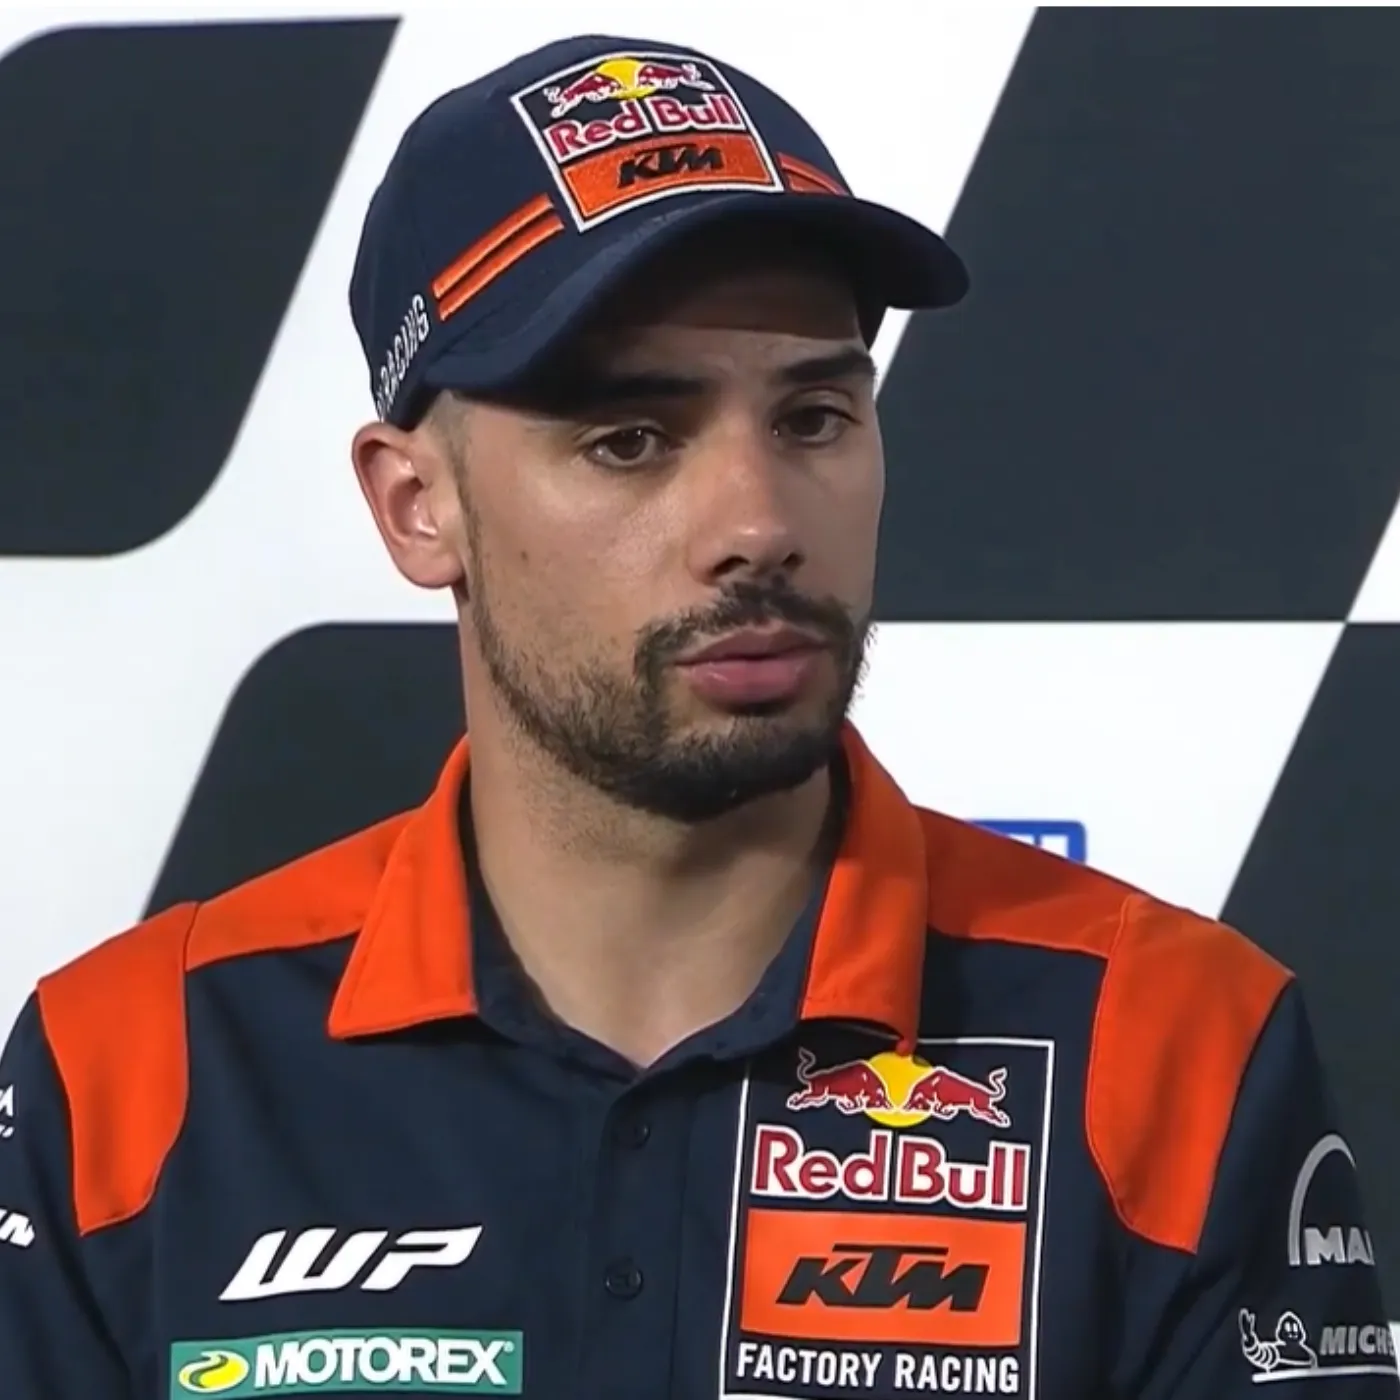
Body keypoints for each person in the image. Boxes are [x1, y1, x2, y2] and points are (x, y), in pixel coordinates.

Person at [0, 31, 1392, 1400]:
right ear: (418, 507)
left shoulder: (1175, 1045)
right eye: (631, 439)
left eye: (814, 418)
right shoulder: (125, 1069)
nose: (759, 525)